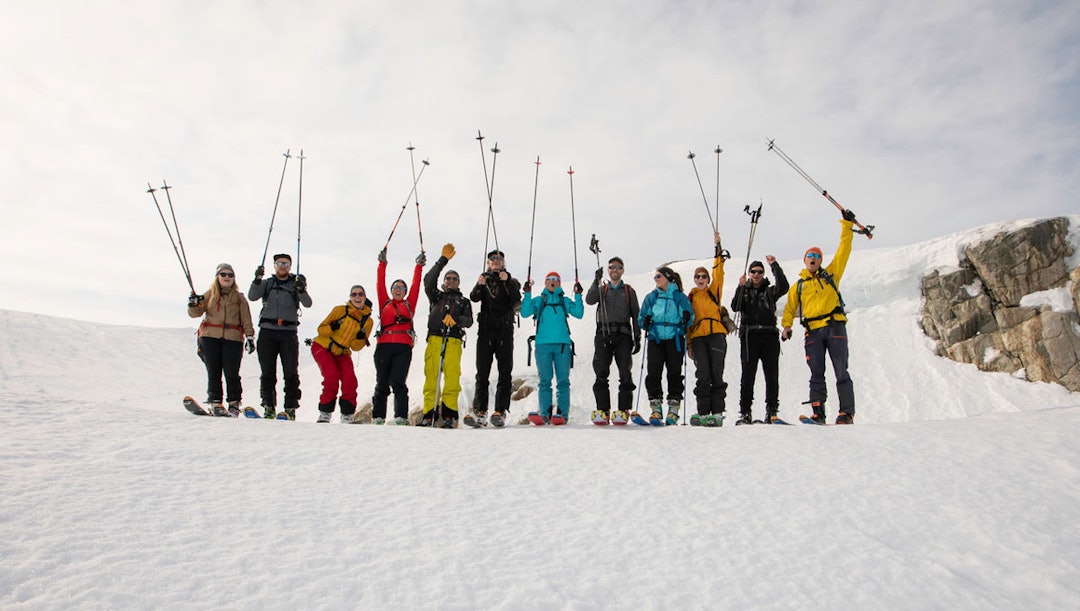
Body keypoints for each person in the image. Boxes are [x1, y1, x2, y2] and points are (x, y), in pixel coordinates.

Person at [781, 210, 858, 424]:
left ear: (821, 261)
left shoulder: (831, 274)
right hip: (812, 330)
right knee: (816, 373)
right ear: (805, 260)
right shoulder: (799, 286)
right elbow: (790, 308)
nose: (813, 259)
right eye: (810, 256)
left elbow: (843, 251)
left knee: (841, 370)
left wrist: (847, 225)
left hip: (834, 327)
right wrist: (786, 326)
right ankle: (818, 414)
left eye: (817, 256)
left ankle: (846, 413)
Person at [248, 253, 312, 420]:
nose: (282, 266)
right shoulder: (267, 284)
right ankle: (268, 406)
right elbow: (252, 296)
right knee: (267, 372)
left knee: (290, 372)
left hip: (288, 332)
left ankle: (290, 408)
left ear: (290, 267)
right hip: (267, 331)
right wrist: (256, 280)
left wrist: (302, 289)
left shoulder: (295, 285)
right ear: (274, 266)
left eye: (286, 264)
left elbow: (308, 303)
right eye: (279, 263)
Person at [188, 263, 255, 417]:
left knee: (231, 372)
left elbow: (246, 318)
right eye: (223, 274)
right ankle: (215, 401)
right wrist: (193, 304)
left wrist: (250, 337)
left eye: (230, 275)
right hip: (210, 336)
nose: (227, 277)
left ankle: (234, 404)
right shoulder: (209, 294)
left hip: (233, 338)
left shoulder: (239, 298)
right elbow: (195, 313)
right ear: (217, 277)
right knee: (213, 370)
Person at [730, 255, 789, 424]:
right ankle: (745, 413)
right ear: (749, 274)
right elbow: (736, 306)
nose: (756, 274)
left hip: (769, 335)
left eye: (760, 272)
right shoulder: (745, 290)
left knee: (772, 375)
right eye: (753, 272)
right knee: (747, 376)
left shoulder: (769, 291)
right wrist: (740, 287)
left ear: (763, 274)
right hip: (749, 336)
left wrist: (774, 265)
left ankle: (771, 411)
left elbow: (784, 287)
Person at [421, 243, 474, 428]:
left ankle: (450, 416)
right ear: (444, 281)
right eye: (448, 278)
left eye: (455, 278)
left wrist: (457, 320)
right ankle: (429, 415)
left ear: (459, 282)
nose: (451, 281)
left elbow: (469, 320)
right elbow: (428, 280)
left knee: (452, 378)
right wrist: (442, 261)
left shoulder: (464, 301)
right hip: (435, 339)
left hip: (453, 341)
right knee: (431, 378)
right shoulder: (436, 296)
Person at [520, 271, 584, 424]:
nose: (553, 282)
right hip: (543, 345)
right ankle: (545, 413)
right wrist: (527, 294)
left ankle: (562, 414)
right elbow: (524, 312)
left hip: (562, 344)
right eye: (550, 279)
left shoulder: (564, 301)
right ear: (545, 282)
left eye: (556, 280)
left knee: (563, 381)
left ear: (560, 283)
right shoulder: (539, 300)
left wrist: (578, 295)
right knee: (544, 380)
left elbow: (579, 313)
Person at [468, 249, 522, 428]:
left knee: (504, 372)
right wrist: (479, 284)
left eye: (499, 259)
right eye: (492, 259)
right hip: (485, 331)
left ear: (504, 262)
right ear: (488, 262)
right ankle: (480, 412)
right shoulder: (484, 279)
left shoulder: (510, 280)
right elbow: (474, 298)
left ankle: (500, 410)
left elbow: (516, 300)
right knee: (482, 372)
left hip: (504, 331)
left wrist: (507, 282)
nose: (496, 261)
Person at [585, 256, 641, 425]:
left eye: (617, 267)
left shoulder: (629, 291)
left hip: (623, 334)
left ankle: (623, 410)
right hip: (603, 333)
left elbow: (635, 315)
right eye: (611, 267)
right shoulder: (602, 289)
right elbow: (589, 299)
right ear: (608, 271)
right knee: (601, 371)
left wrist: (637, 337)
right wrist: (595, 280)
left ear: (622, 270)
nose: (614, 270)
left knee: (625, 371)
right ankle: (603, 410)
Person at [372, 247, 424, 425]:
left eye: (402, 288)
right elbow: (380, 282)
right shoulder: (384, 302)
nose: (398, 289)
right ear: (391, 289)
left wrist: (418, 266)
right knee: (381, 383)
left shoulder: (410, 304)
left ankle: (400, 416)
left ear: (405, 291)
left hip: (403, 347)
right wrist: (382, 264)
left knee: (398, 382)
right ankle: (378, 416)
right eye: (395, 287)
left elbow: (416, 285)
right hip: (384, 346)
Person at [637, 266, 694, 425]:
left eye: (658, 276)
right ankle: (656, 408)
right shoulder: (651, 297)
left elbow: (691, 317)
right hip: (656, 338)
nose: (656, 279)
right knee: (653, 372)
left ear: (667, 277)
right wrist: (645, 323)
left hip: (674, 338)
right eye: (655, 277)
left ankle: (673, 409)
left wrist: (686, 318)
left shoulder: (679, 297)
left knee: (674, 372)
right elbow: (641, 318)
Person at [310, 285, 374, 424]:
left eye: (360, 294)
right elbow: (321, 329)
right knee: (331, 375)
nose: (357, 297)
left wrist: (360, 337)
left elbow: (356, 347)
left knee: (350, 380)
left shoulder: (367, 321)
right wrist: (332, 328)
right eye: (354, 294)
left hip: (342, 352)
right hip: (323, 346)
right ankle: (325, 414)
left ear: (365, 297)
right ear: (350, 297)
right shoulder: (340, 310)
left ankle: (347, 415)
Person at [686, 232, 731, 426]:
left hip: (716, 335)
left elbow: (718, 273)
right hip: (698, 337)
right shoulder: (691, 297)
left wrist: (718, 249)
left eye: (704, 276)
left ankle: (718, 412)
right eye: (698, 276)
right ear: (695, 279)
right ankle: (703, 412)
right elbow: (688, 322)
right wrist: (689, 344)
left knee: (716, 372)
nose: (702, 278)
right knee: (702, 373)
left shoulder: (714, 292)